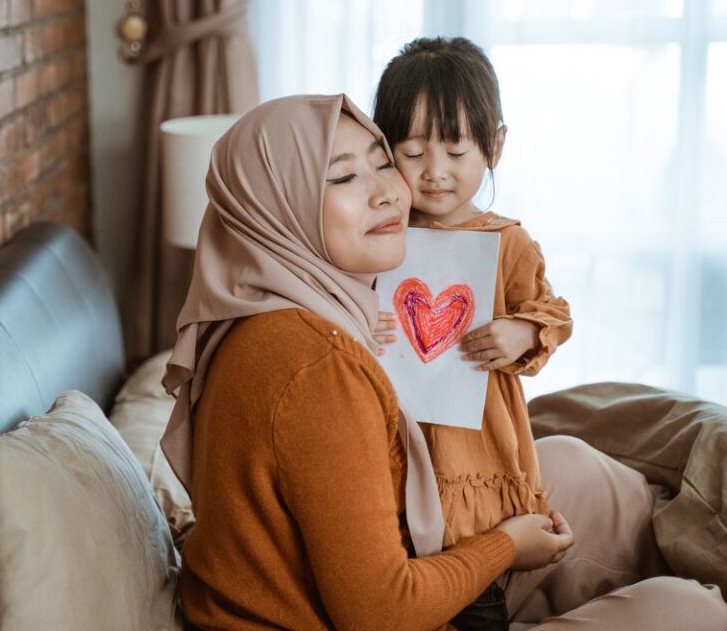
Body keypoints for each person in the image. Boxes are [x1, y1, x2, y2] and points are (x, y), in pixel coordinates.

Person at [159, 94, 727, 630]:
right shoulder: (317, 365)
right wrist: (507, 544)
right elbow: (381, 614)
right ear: (275, 206)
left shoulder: (261, 313)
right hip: (381, 612)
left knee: (575, 466)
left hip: (384, 560)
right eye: (343, 176)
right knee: (695, 613)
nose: (388, 192)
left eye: (383, 164)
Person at [373, 36, 571, 549]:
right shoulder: (376, 235)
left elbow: (554, 313)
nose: (435, 170)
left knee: (474, 573)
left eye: (456, 149)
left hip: (474, 446)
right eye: (413, 152)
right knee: (396, 558)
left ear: (495, 146)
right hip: (390, 436)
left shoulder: (507, 242)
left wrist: (522, 330)